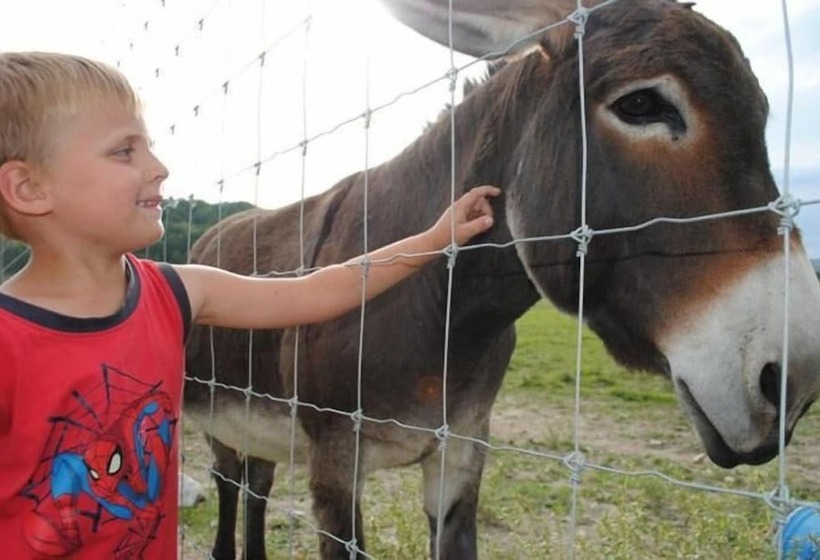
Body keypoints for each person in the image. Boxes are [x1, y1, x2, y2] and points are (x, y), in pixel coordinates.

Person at [0, 51, 499, 559]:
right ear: (30, 188)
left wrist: (435, 237)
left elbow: (323, 288)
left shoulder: (178, 293)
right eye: (124, 152)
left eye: (148, 146)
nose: (159, 167)